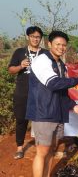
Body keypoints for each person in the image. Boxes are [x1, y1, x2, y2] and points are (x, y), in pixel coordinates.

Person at [25, 31, 78, 177]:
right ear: (49, 44)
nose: (61, 47)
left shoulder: (61, 65)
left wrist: (74, 105)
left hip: (57, 113)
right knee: (42, 152)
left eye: (64, 45)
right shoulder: (42, 60)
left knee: (51, 151)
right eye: (58, 44)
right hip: (43, 113)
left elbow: (62, 92)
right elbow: (53, 83)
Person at [8, 26, 47, 159]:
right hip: (22, 93)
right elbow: (11, 70)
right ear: (28, 37)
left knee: (40, 120)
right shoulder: (20, 52)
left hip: (40, 94)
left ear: (40, 39)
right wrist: (21, 66)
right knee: (21, 120)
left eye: (38, 37)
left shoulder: (45, 53)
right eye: (33, 36)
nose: (35, 39)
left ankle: (40, 147)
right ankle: (20, 147)